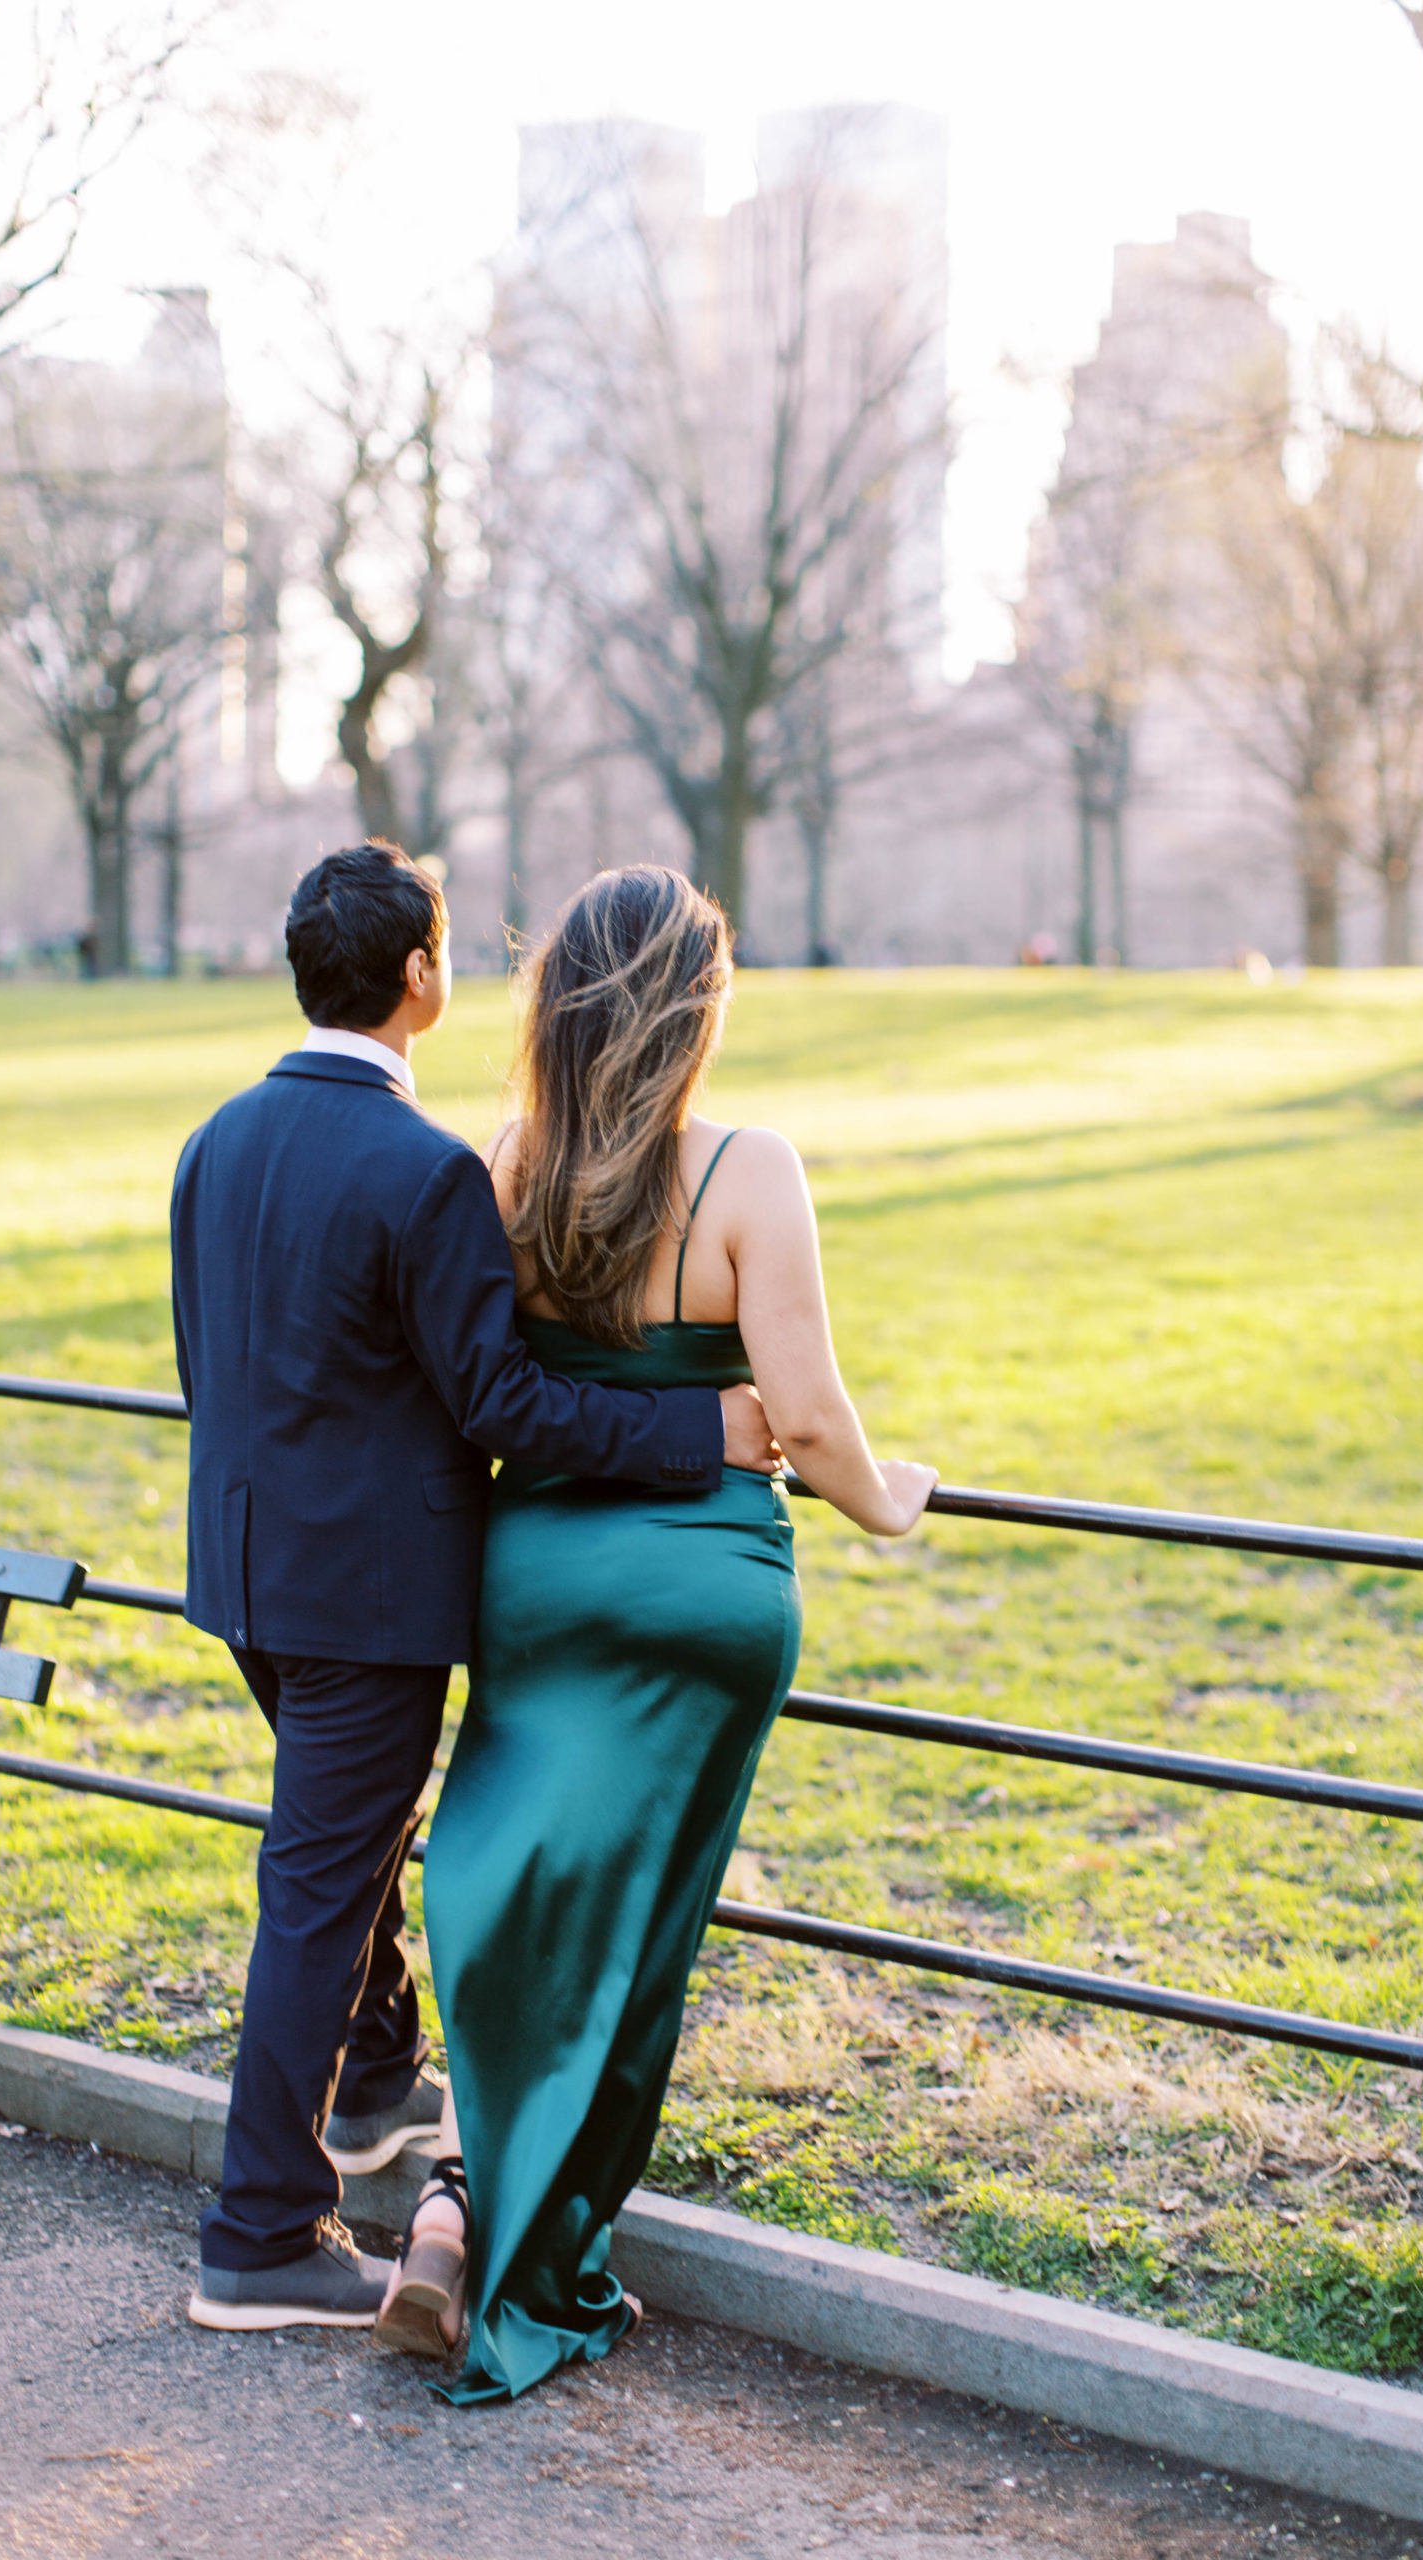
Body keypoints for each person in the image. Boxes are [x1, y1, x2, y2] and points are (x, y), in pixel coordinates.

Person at [171, 842, 779, 2332]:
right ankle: (260, 2229)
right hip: (368, 1602)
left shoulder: (215, 1141)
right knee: (320, 1889)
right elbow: (507, 1401)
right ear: (423, 979)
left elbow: (212, 1364)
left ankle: (377, 2094)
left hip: (243, 1573)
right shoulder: (427, 1171)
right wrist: (698, 1426)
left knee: (345, 1848)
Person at [376, 865, 938, 2400]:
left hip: (536, 1584)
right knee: (630, 1938)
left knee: (508, 1893)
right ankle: (521, 2255)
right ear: (692, 1010)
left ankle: (459, 2206)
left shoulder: (507, 1169)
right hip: (702, 1597)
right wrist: (891, 1505)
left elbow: (483, 1394)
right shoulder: (749, 1171)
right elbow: (811, 1419)